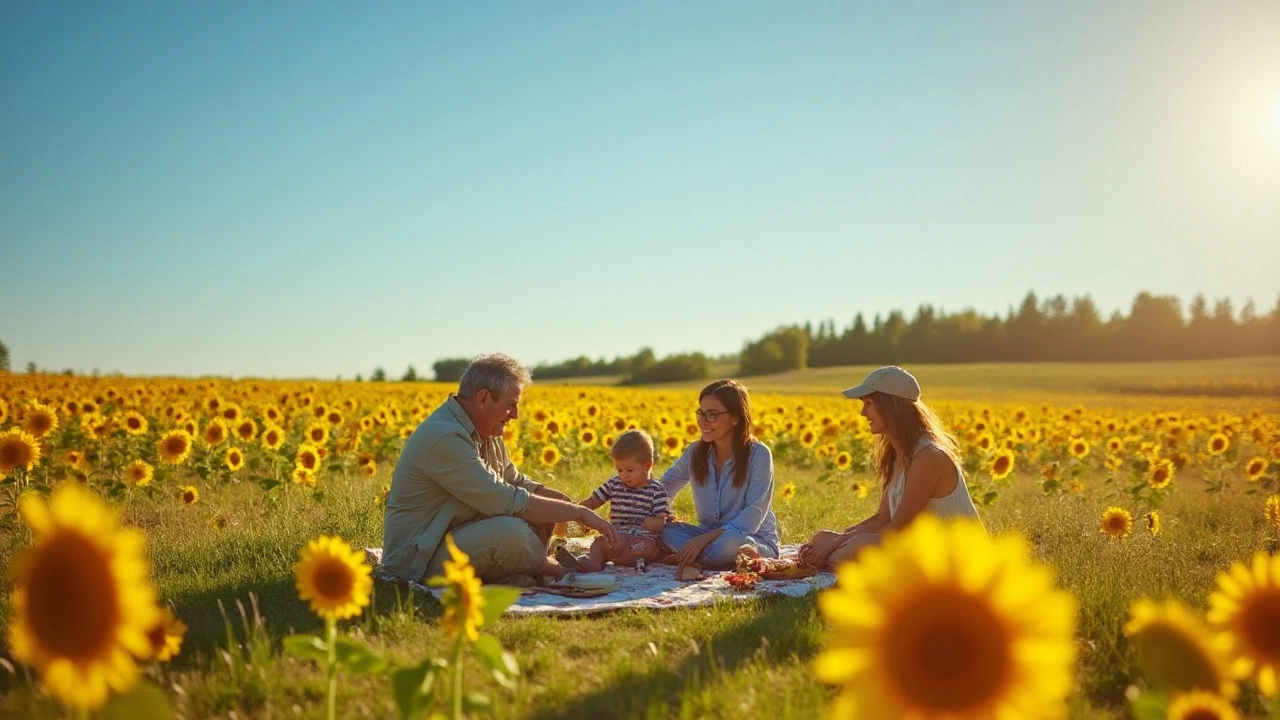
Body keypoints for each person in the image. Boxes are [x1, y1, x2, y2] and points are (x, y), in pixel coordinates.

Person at [382, 353, 618, 584]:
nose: (515, 415)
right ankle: (548, 568)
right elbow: (503, 499)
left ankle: (526, 567)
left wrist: (559, 502)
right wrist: (578, 513)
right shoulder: (444, 437)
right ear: (484, 398)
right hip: (417, 560)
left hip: (456, 536)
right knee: (511, 533)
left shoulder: (486, 430)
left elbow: (513, 480)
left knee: (546, 507)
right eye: (511, 405)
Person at [799, 365, 983, 571]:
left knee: (861, 545)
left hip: (952, 560)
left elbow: (898, 529)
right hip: (917, 548)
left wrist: (838, 544)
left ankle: (829, 562)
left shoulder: (929, 457)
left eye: (868, 403)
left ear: (891, 407)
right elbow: (882, 519)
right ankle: (832, 560)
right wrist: (837, 539)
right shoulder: (898, 454)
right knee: (821, 537)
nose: (862, 412)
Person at [659, 379, 780, 570]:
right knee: (662, 529)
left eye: (712, 415)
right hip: (705, 536)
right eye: (701, 413)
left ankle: (687, 557)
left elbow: (753, 515)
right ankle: (699, 558)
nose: (703, 421)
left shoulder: (759, 455)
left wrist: (704, 539)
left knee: (731, 544)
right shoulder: (695, 452)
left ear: (736, 418)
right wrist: (661, 512)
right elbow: (664, 486)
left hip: (750, 537)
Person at [569, 429, 672, 572]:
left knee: (646, 548)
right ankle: (592, 565)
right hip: (616, 538)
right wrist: (575, 511)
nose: (624, 476)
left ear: (647, 465)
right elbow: (593, 501)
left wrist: (652, 523)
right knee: (598, 543)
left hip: (641, 540)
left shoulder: (657, 491)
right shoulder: (614, 484)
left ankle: (630, 560)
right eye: (619, 470)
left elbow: (661, 520)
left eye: (629, 470)